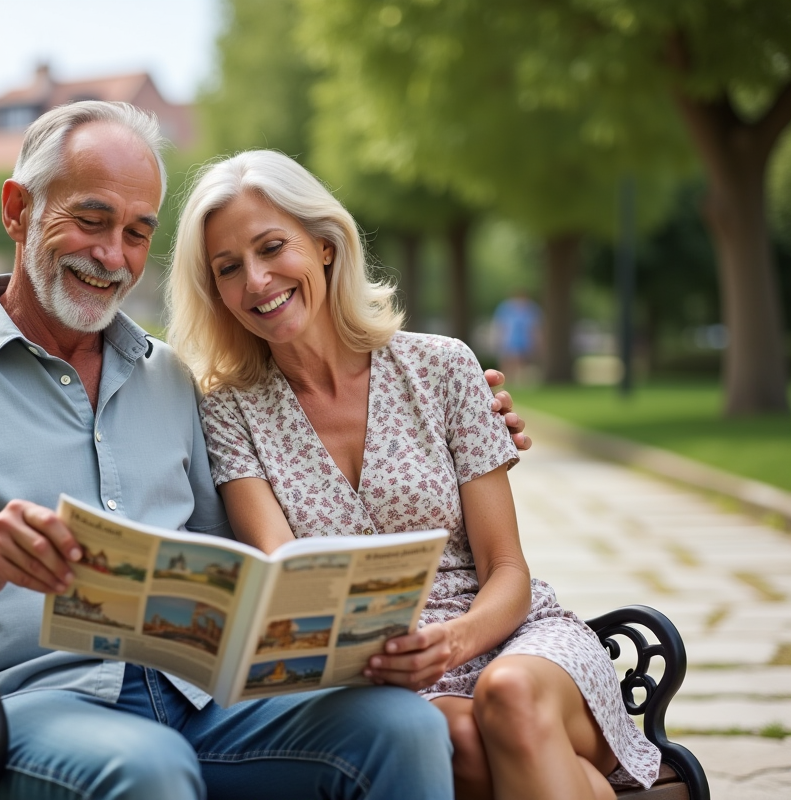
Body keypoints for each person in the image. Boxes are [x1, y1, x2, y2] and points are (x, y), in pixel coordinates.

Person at [0, 102, 525, 800]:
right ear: (18, 211)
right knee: (150, 768)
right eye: (92, 220)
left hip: (202, 703)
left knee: (402, 729)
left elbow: (244, 552)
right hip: (8, 714)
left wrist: (470, 424)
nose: (113, 255)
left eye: (137, 232)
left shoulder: (169, 377)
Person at [165, 150, 661, 800]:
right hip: (382, 672)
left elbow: (506, 567)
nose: (256, 280)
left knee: (508, 696)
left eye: (271, 247)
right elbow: (291, 580)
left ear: (323, 244)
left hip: (511, 636)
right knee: (456, 741)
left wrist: (455, 639)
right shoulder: (229, 411)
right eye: (229, 268)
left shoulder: (444, 366)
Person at [490, 290, 542, 386]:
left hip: (524, 341)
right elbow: (500, 325)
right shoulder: (505, 308)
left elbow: (535, 327)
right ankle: (504, 382)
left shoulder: (531, 309)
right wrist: (499, 339)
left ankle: (517, 383)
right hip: (509, 341)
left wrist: (536, 342)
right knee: (508, 361)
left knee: (521, 362)